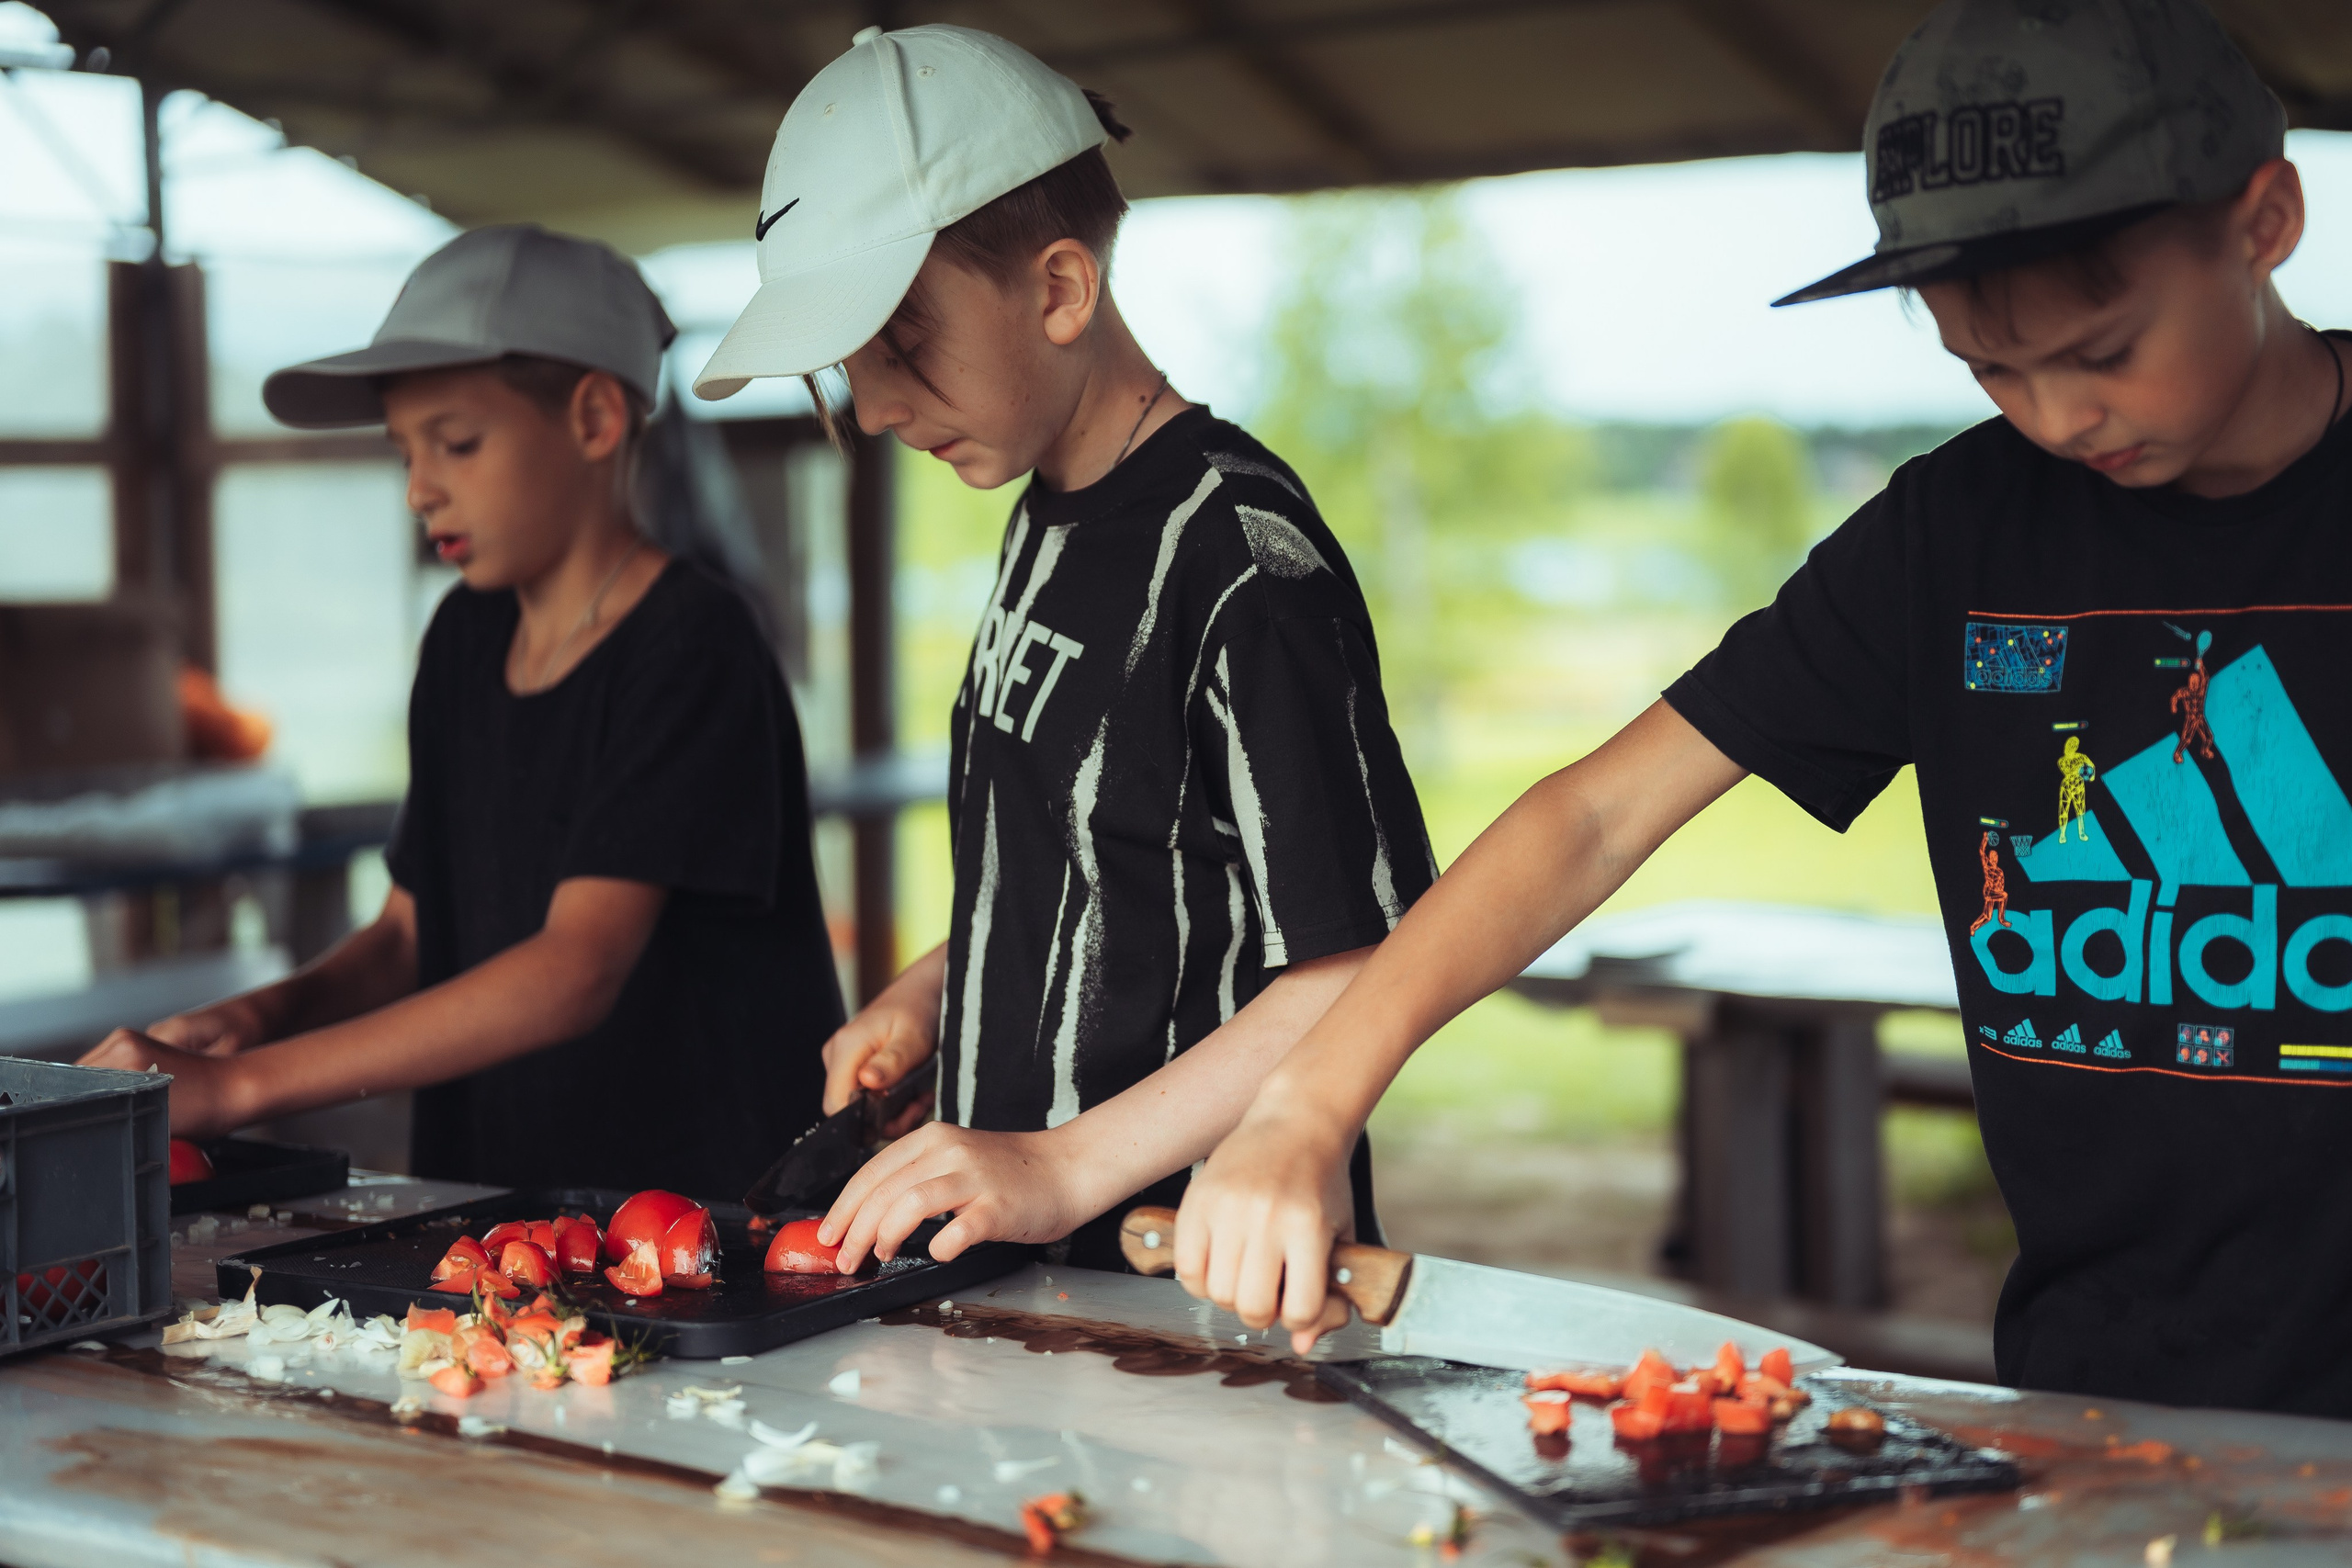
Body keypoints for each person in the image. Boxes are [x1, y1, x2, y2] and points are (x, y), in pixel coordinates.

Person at [1178, 0, 2352, 1417]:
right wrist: (1308, 1100)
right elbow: (1601, 811)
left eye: (2102, 351)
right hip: (2101, 1396)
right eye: (1989, 366)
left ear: (2264, 218)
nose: (2056, 417)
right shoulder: (1956, 538)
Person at [691, 24, 1432, 1272]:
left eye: (902, 343)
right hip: (1024, 1280)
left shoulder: (1244, 557)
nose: (871, 409)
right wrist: (933, 995)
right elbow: (1100, 862)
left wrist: (1054, 1160)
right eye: (848, 367)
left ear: (1058, 291)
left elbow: (1357, 965)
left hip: (1194, 1292)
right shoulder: (1040, 518)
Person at [82, 225, 841, 1199]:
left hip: (701, 1224)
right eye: (405, 450)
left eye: (458, 442)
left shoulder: (693, 645)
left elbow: (576, 968)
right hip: (501, 1208)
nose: (418, 488)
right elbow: (409, 933)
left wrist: (234, 1089)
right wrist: (261, 1018)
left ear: (596, 419)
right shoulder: (464, 640)